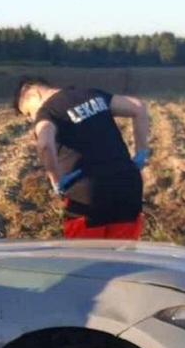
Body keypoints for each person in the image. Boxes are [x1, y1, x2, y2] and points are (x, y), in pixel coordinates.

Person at [13, 77, 151, 240]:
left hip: (87, 195)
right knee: (123, 258)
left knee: (86, 258)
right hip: (128, 185)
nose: (32, 118)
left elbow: (44, 145)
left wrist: (56, 181)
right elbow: (138, 107)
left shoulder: (48, 112)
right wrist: (141, 154)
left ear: (33, 93)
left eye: (29, 112)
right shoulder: (92, 94)